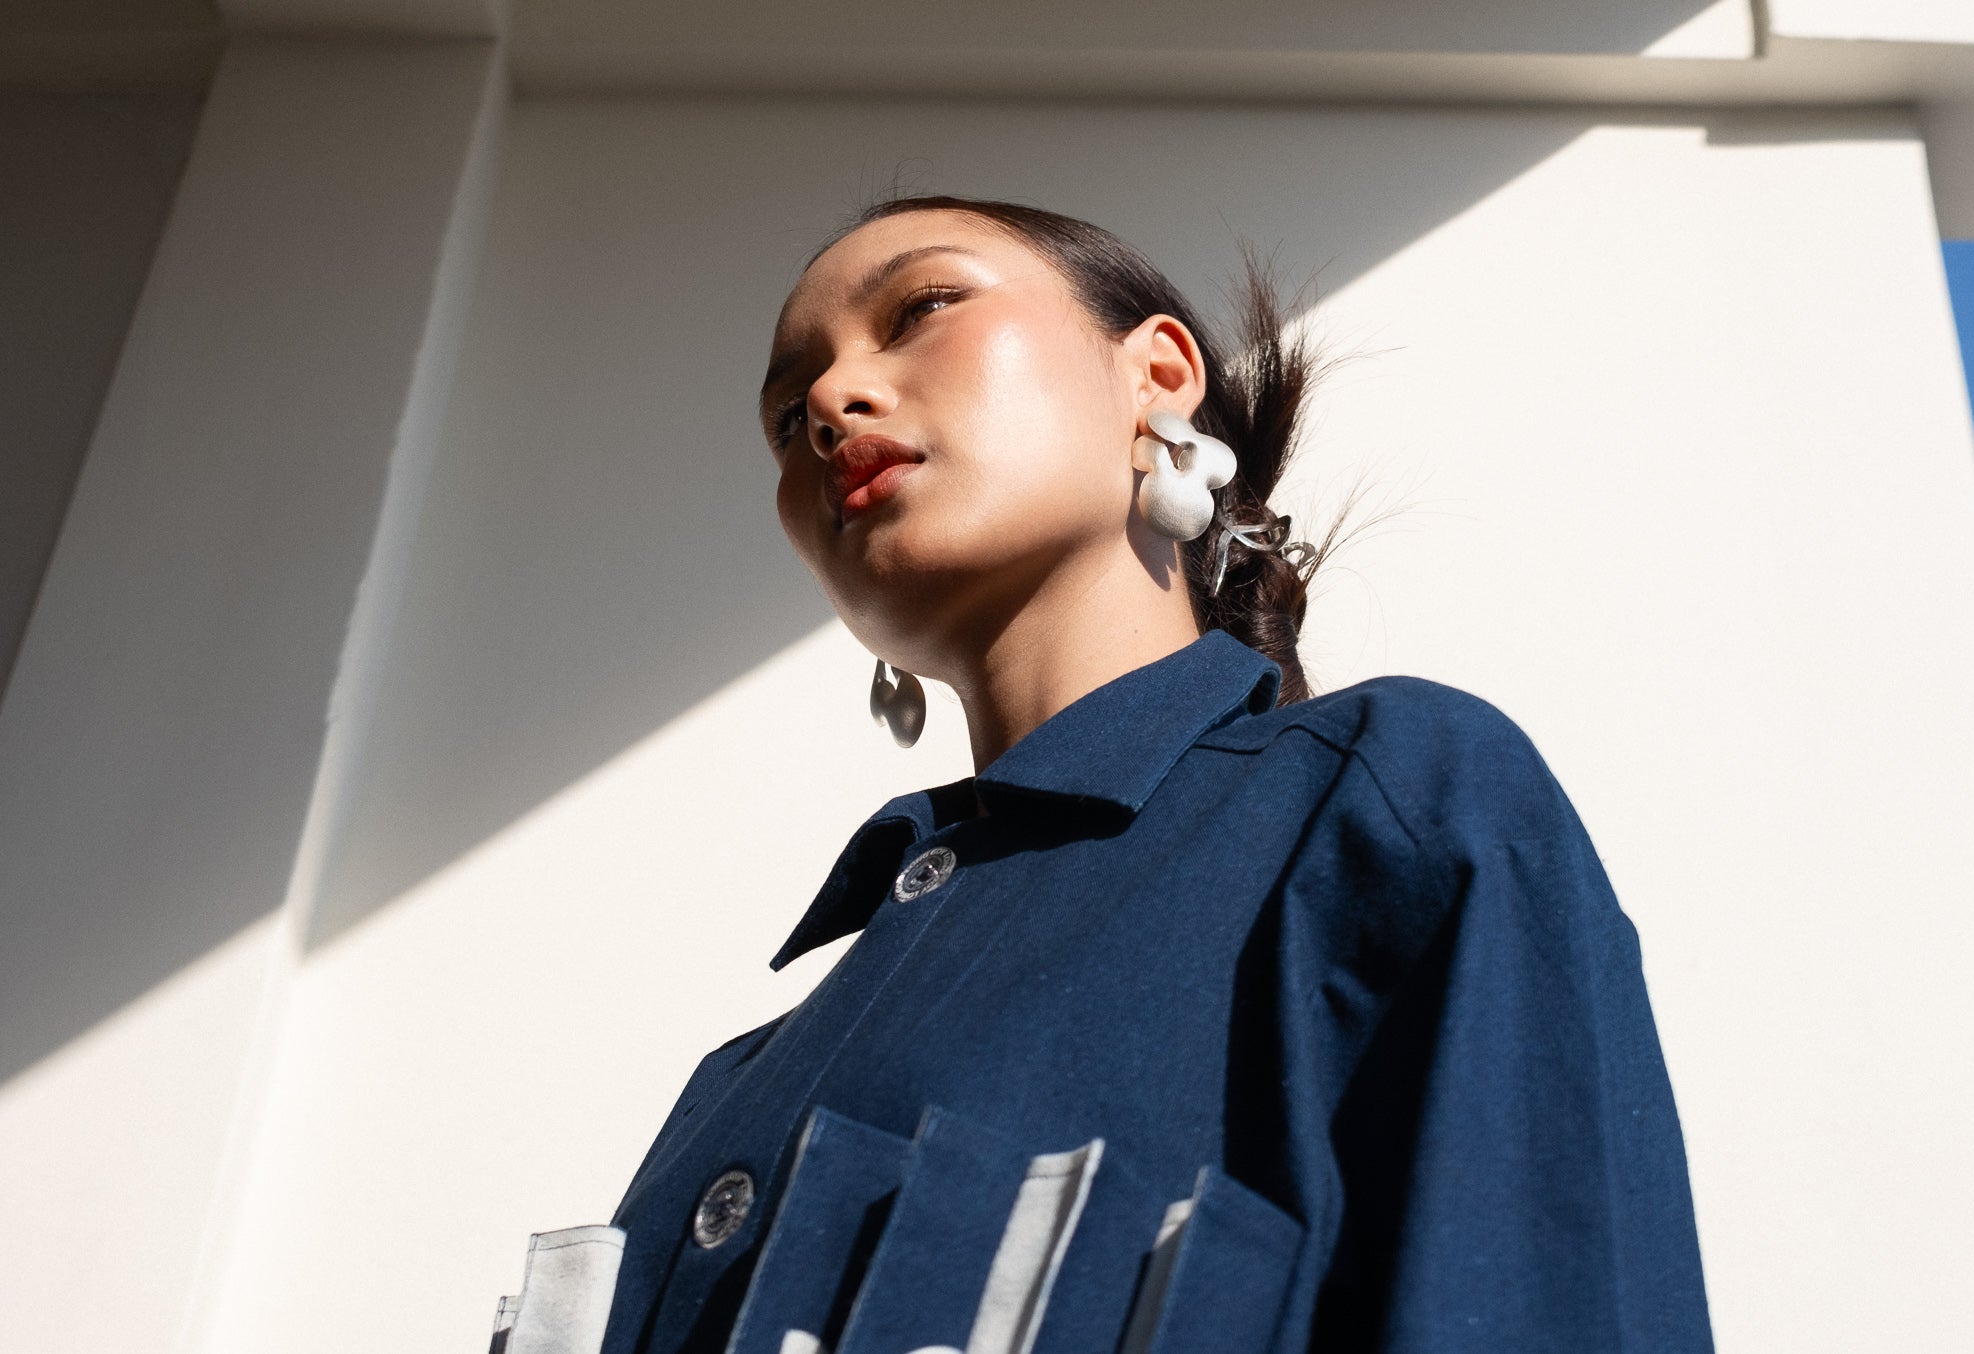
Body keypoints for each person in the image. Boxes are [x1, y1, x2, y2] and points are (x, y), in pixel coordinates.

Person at [487, 196, 1713, 1354]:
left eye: (920, 308)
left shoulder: (1385, 803)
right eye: (781, 416)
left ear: (1158, 378)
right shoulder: (729, 1090)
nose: (827, 401)